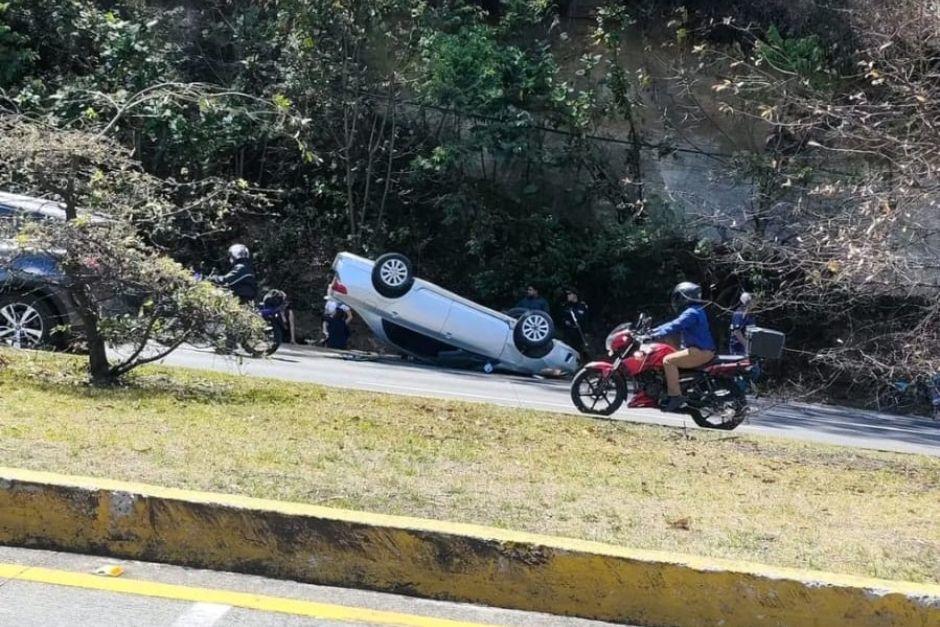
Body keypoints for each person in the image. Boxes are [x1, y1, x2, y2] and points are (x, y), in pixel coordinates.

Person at [649, 282, 716, 412]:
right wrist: (653, 331)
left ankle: (675, 396)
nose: (677, 301)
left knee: (668, 360)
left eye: (678, 297)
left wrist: (654, 334)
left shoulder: (691, 312)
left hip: (700, 352)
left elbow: (675, 325)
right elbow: (673, 324)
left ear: (686, 297)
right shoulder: (696, 310)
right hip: (700, 350)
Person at [561, 288, 589, 357]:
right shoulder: (566, 306)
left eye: (569, 294)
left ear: (575, 295)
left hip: (582, 332)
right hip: (571, 333)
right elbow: (563, 318)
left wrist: (586, 332)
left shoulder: (582, 305)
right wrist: (565, 321)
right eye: (567, 294)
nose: (568, 296)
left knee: (586, 351)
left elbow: (586, 319)